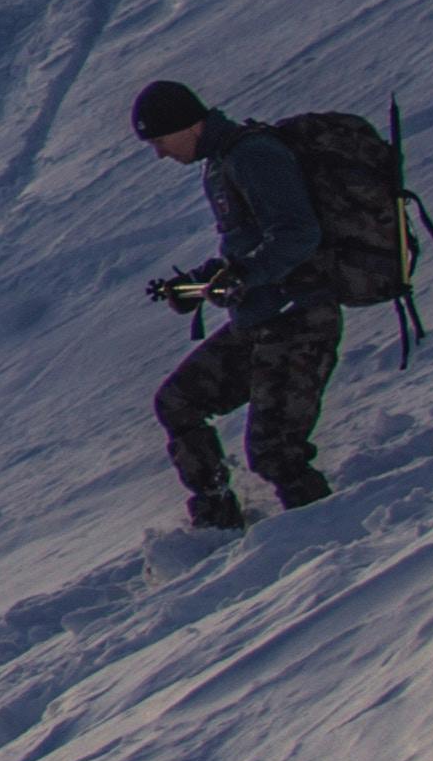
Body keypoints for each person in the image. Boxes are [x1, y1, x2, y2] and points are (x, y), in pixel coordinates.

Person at [129, 79, 339, 529]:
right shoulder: (221, 165)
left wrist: (242, 276)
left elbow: (298, 234)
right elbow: (248, 248)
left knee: (276, 453)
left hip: (299, 319)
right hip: (262, 321)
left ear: (188, 125)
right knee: (179, 401)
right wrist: (201, 283)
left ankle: (329, 543)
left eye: (160, 140)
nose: (161, 154)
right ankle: (218, 519)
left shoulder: (254, 156)